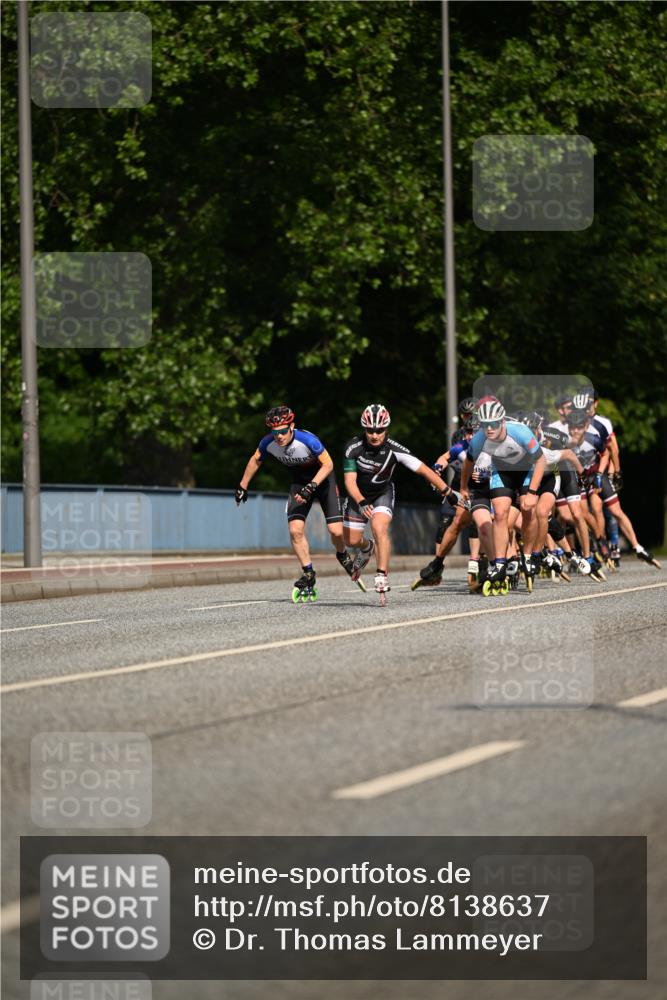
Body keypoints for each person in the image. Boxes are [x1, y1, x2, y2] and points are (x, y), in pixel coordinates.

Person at [235, 405, 354, 597]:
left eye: (283, 431)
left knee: (336, 531)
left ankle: (342, 554)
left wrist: (311, 487)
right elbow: (256, 460)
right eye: (275, 432)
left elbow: (328, 464)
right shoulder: (268, 443)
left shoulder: (307, 440)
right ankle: (308, 573)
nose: (279, 436)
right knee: (295, 530)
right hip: (299, 483)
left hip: (323, 481)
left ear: (292, 426)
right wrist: (242, 486)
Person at [342, 404, 455, 596]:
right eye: (370, 430)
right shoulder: (352, 447)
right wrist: (361, 501)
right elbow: (349, 481)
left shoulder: (394, 449)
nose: (375, 435)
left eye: (379, 430)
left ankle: (381, 575)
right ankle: (367, 547)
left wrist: (448, 492)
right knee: (351, 540)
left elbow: (424, 470)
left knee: (379, 527)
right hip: (358, 495)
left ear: (386, 429)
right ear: (364, 429)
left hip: (382, 493)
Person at [461, 398, 546, 588]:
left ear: (502, 421)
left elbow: (541, 461)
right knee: (500, 513)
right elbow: (468, 463)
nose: (489, 429)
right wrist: (463, 487)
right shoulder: (479, 439)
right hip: (502, 471)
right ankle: (500, 563)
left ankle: (528, 556)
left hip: (526, 470)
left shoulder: (520, 432)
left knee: (528, 508)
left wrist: (532, 492)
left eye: (493, 424)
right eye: (485, 425)